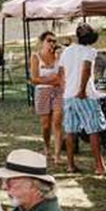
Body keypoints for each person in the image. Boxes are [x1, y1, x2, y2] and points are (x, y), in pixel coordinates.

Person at [58, 23, 106, 176]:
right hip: (84, 95)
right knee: (93, 130)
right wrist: (82, 90)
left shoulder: (67, 51)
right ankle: (100, 167)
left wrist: (66, 89)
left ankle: (70, 165)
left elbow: (61, 72)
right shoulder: (90, 51)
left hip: (69, 96)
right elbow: (85, 70)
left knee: (70, 131)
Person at [29, 31, 63, 161]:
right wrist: (51, 80)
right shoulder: (35, 57)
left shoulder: (58, 56)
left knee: (57, 122)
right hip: (42, 92)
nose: (52, 43)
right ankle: (47, 147)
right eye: (49, 40)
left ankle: (58, 155)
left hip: (58, 92)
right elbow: (34, 79)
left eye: (54, 41)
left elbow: (60, 78)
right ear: (42, 42)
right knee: (46, 125)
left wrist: (46, 79)